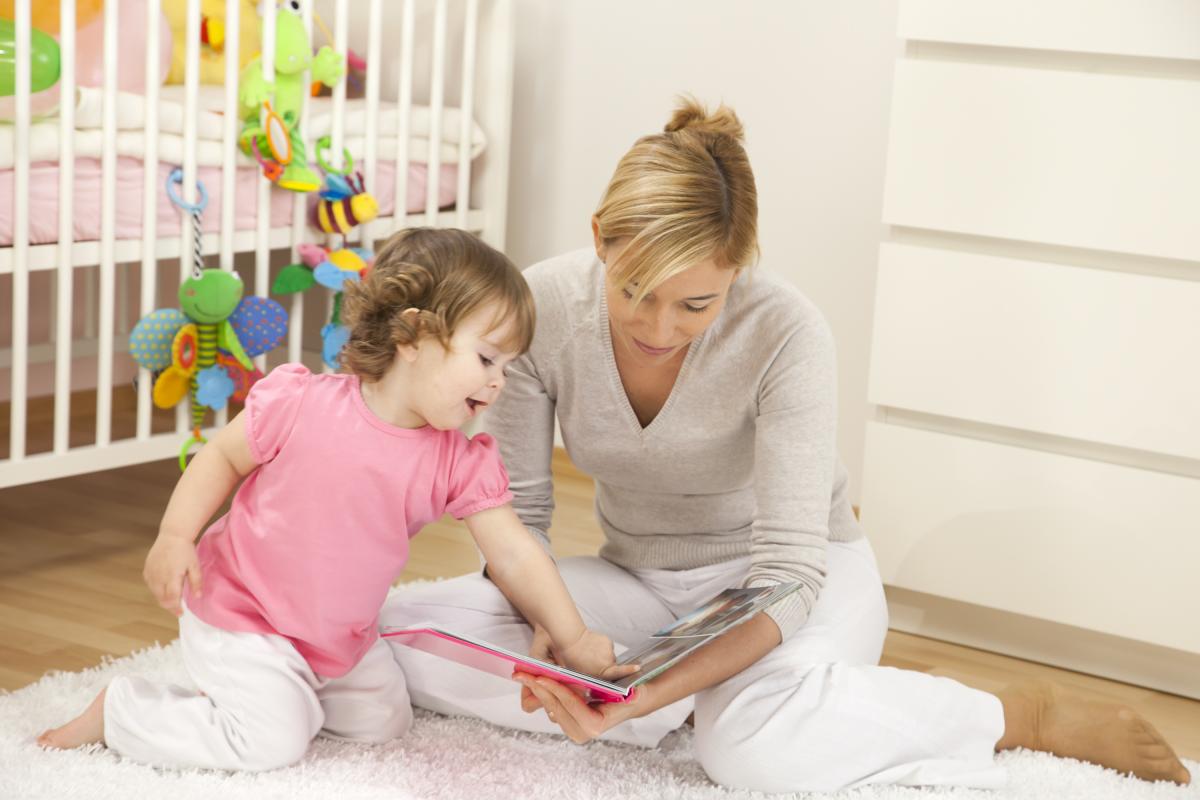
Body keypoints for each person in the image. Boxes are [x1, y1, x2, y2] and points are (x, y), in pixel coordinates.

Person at [379, 101, 1192, 792]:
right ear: (600, 238)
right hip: (638, 579)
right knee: (396, 630)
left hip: (791, 584)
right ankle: (737, 705)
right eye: (635, 292)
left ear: (739, 270)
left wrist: (647, 684)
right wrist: (549, 635)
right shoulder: (540, 306)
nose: (659, 329)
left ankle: (1008, 712)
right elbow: (520, 516)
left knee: (746, 751)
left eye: (696, 304)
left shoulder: (787, 332)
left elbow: (790, 573)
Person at [36, 228, 630, 771]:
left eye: (507, 365)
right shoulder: (303, 403)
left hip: (337, 636)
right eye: (486, 359)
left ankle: (271, 692)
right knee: (272, 742)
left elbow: (515, 555)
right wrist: (175, 537)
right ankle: (123, 710)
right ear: (414, 337)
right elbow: (220, 457)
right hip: (246, 614)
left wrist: (573, 638)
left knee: (383, 723)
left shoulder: (455, 458)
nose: (499, 381)